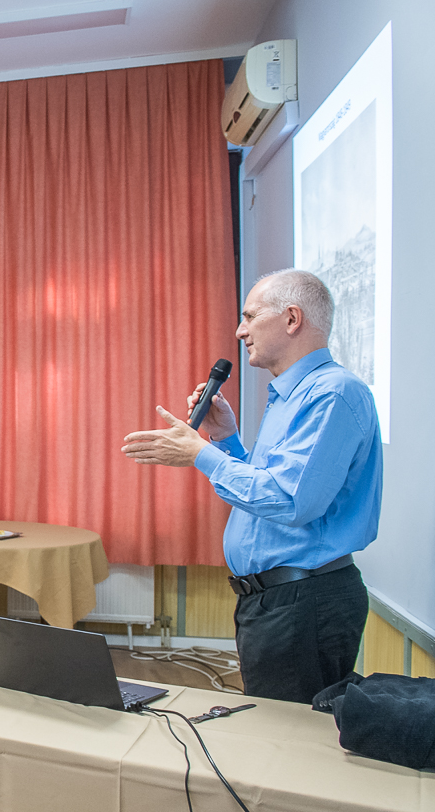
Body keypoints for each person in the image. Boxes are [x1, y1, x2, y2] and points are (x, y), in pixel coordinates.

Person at [122, 269, 383, 703]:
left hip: (303, 600)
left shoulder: (332, 394)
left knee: (286, 734)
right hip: (274, 599)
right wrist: (225, 439)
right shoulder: (291, 396)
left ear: (292, 318)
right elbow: (263, 495)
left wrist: (200, 454)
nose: (240, 331)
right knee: (271, 726)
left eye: (250, 316)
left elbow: (290, 502)